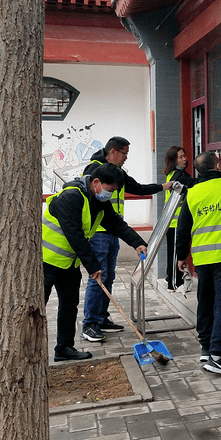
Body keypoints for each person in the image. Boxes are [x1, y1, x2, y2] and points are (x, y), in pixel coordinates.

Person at [43, 163, 148, 361]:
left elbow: (116, 224)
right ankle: (28, 353)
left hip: (68, 264)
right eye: (110, 190)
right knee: (37, 308)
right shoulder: (72, 196)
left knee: (69, 306)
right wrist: (93, 266)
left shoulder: (98, 202)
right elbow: (75, 235)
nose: (110, 194)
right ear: (96, 182)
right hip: (45, 263)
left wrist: (137, 243)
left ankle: (64, 348)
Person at [80, 136, 171, 343]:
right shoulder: (95, 169)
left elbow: (137, 188)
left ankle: (101, 318)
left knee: (109, 276)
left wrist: (163, 187)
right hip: (98, 231)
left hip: (113, 229)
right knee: (99, 278)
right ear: (113, 151)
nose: (126, 159)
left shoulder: (118, 173)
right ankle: (90, 324)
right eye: (124, 154)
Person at [176, 151, 221, 376]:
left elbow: (183, 228)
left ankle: (206, 348)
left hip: (203, 259)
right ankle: (216, 357)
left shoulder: (193, 192)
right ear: (218, 164)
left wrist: (180, 256)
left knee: (205, 302)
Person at [163, 145, 196, 290]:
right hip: (176, 222)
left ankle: (171, 278)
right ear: (173, 160)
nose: (185, 159)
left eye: (184, 156)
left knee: (173, 254)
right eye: (180, 157)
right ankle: (175, 283)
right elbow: (195, 185)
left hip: (172, 222)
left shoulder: (172, 175)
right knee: (176, 255)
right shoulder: (179, 177)